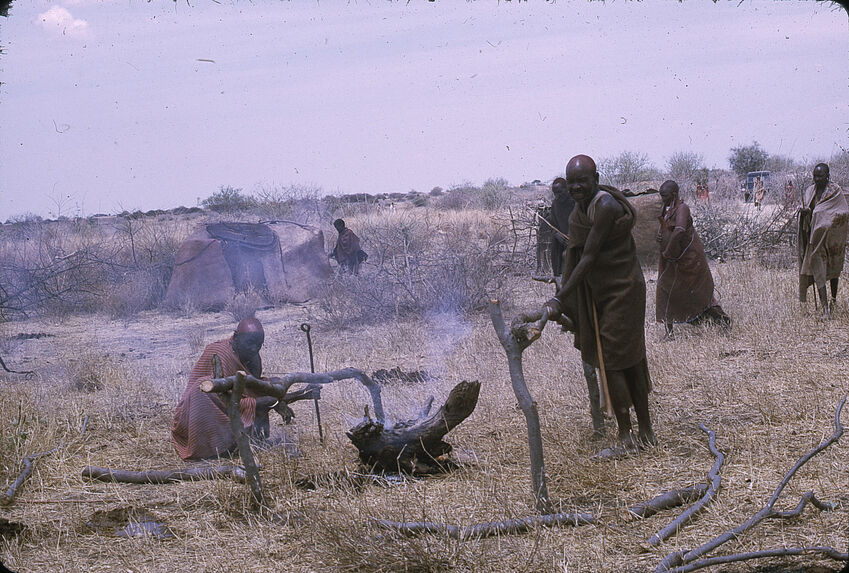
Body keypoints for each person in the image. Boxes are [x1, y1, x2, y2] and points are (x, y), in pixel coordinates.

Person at [544, 155, 656, 454]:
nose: (576, 187)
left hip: (623, 290)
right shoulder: (581, 207)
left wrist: (561, 297)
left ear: (596, 178)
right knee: (625, 358)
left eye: (582, 181)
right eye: (571, 182)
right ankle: (641, 432)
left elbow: (589, 256)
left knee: (617, 360)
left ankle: (629, 435)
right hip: (601, 291)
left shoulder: (605, 206)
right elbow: (575, 254)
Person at [171, 317, 283, 461]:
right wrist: (260, 402)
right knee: (201, 391)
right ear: (236, 337)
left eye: (259, 345)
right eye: (250, 343)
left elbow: (252, 386)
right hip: (197, 411)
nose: (254, 349)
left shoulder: (252, 354)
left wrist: (275, 395)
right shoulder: (219, 352)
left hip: (231, 401)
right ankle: (208, 449)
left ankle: (246, 441)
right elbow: (221, 396)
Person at [656, 180, 730, 335]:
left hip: (687, 257)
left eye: (664, 196)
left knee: (697, 291)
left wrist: (669, 250)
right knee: (666, 288)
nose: (662, 199)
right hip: (670, 258)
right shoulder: (667, 207)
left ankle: (722, 319)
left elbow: (679, 231)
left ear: (674, 194)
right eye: (661, 196)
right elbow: (666, 227)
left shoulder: (682, 208)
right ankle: (669, 332)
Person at [798, 163, 849, 317]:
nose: (817, 179)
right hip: (815, 240)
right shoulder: (810, 191)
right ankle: (825, 307)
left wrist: (821, 217)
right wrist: (805, 213)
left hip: (832, 239)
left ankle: (833, 300)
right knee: (818, 268)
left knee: (833, 272)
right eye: (815, 175)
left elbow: (843, 212)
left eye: (820, 176)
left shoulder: (835, 191)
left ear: (827, 176)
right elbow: (809, 209)